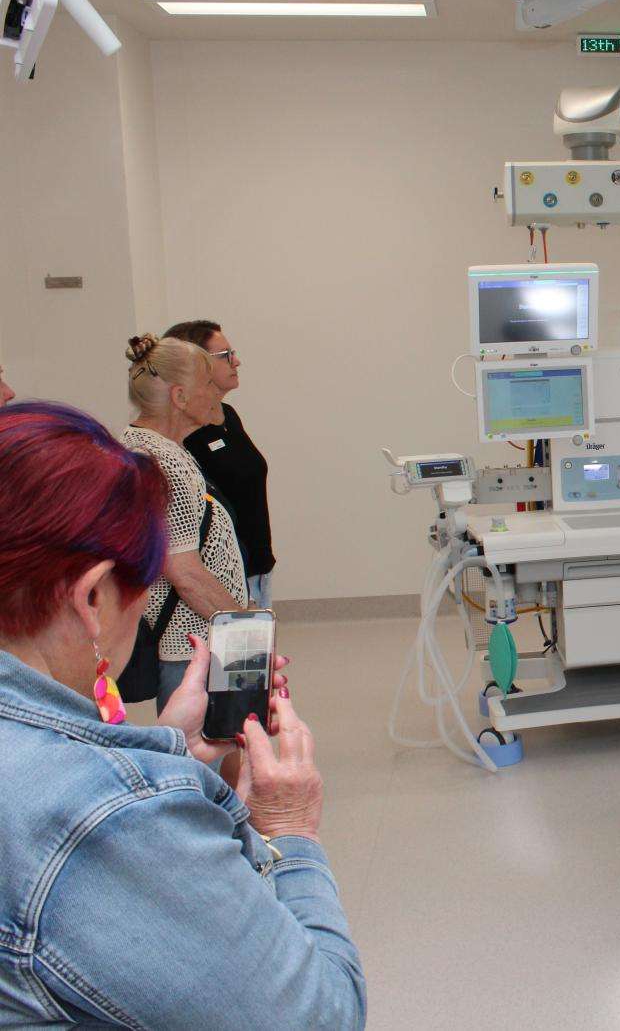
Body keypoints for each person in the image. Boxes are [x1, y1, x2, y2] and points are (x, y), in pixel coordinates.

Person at [0, 400, 365, 1027]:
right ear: (93, 598)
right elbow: (317, 1017)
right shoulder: (108, 820)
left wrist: (171, 746)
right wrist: (289, 833)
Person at [121, 335, 250, 712]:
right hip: (191, 646)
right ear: (179, 396)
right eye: (208, 382)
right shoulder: (161, 462)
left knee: (221, 738)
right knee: (205, 741)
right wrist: (245, 632)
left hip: (199, 640)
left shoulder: (156, 448)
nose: (216, 392)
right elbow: (185, 573)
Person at [165, 320, 276, 608]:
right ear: (195, 365)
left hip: (257, 568)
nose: (236, 361)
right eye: (225, 355)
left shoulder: (229, 415)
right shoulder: (184, 431)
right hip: (218, 577)